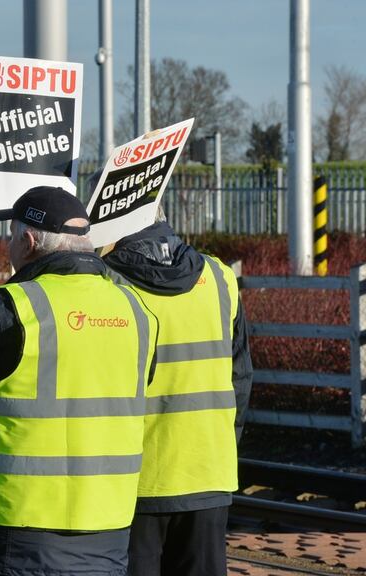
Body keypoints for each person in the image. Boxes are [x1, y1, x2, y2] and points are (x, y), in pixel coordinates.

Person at [0, 186, 158, 576]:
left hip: (17, 534)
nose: (9, 245)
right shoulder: (137, 311)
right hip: (108, 529)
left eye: (11, 235)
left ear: (28, 241)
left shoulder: (8, 308)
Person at [101, 214, 252, 576]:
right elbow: (241, 377)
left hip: (131, 482)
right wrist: (218, 446)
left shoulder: (106, 285)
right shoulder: (220, 279)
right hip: (207, 475)